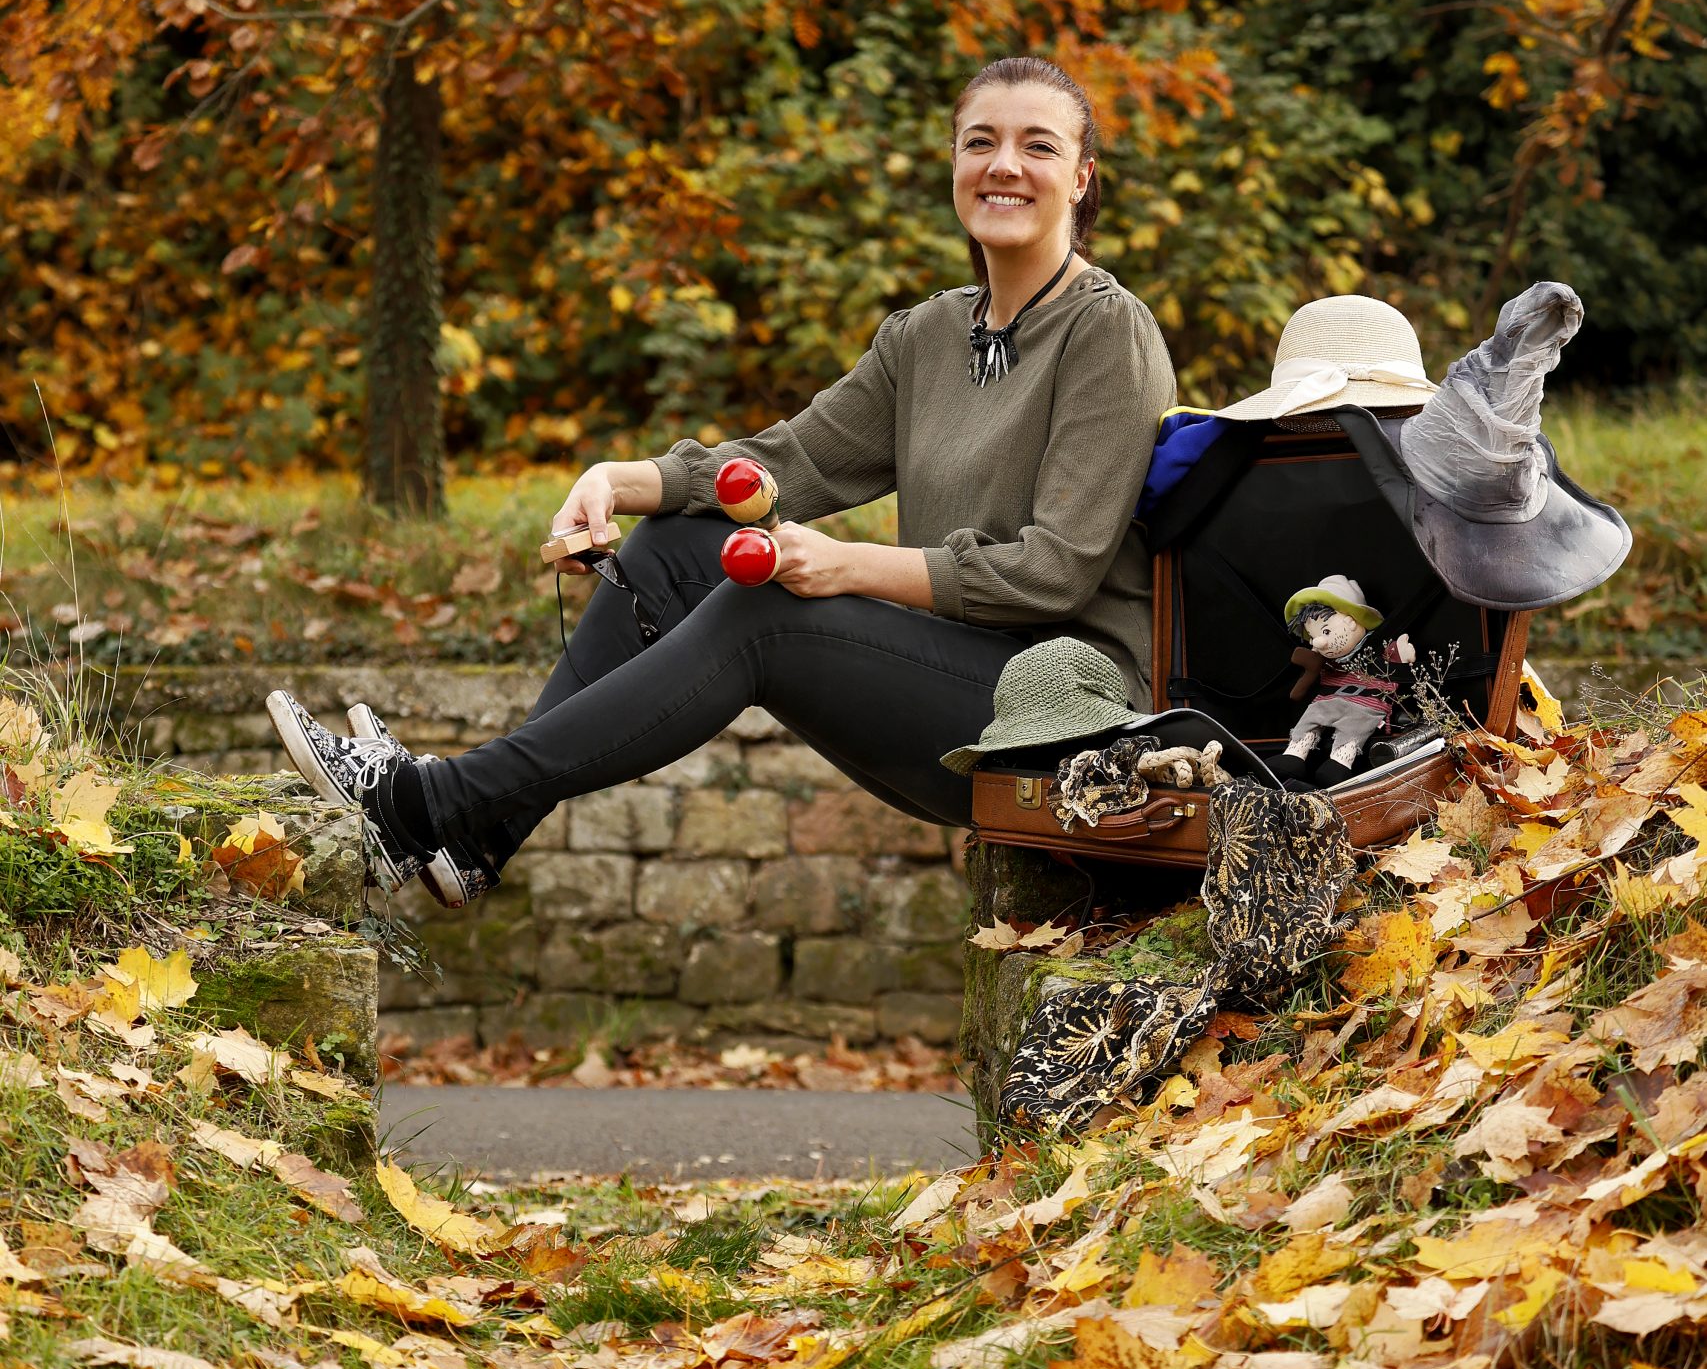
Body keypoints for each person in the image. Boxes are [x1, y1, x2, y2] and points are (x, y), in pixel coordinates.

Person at [266, 55, 1177, 905]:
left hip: (1064, 715)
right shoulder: (927, 336)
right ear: (952, 162)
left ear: (1081, 176)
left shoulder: (1106, 333)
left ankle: (428, 802)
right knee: (673, 547)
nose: (1002, 166)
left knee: (766, 608)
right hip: (953, 679)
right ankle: (474, 836)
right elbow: (789, 464)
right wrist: (623, 481)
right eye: (980, 142)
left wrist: (851, 566)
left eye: (1037, 146)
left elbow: (1053, 570)